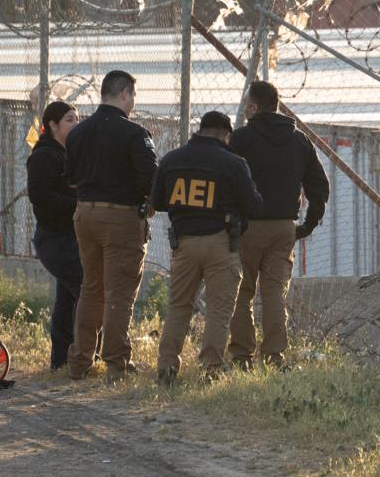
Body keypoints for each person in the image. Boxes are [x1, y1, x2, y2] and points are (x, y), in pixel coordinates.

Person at [152, 111, 264, 384]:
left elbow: (158, 201)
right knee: (218, 311)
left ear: (200, 129)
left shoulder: (172, 160)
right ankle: (210, 369)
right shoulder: (233, 163)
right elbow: (254, 206)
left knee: (178, 307)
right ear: (226, 135)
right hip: (221, 243)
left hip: (184, 244)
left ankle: (166, 367)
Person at [227, 80, 329, 369]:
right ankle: (274, 356)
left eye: (247, 104)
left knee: (242, 292)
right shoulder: (299, 140)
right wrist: (308, 224)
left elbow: (226, 181)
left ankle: (242, 356)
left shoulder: (241, 139)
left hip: (247, 227)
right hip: (284, 227)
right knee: (274, 293)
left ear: (253, 107)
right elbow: (319, 186)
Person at [63, 70, 157, 383]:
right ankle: (117, 363)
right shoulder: (135, 133)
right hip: (121, 218)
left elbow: (71, 178)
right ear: (125, 94)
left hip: (85, 213)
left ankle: (80, 361)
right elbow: (151, 179)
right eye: (133, 95)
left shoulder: (78, 133)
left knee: (91, 288)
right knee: (120, 292)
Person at [26, 100, 81, 370]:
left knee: (67, 298)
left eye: (77, 119)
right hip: (55, 239)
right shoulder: (44, 156)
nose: (76, 124)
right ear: (53, 125)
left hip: (70, 237)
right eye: (70, 119)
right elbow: (41, 197)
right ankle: (81, 354)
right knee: (86, 290)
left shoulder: (67, 153)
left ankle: (61, 359)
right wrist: (79, 205)